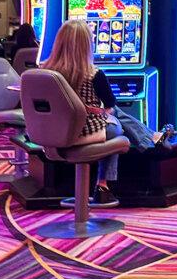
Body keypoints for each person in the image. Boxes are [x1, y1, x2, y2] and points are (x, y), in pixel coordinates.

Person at [39, 20, 168, 205]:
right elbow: (109, 105)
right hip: (83, 131)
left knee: (114, 117)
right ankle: (103, 184)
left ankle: (149, 137)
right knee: (115, 123)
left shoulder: (45, 71)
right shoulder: (94, 74)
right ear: (87, 45)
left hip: (52, 131)